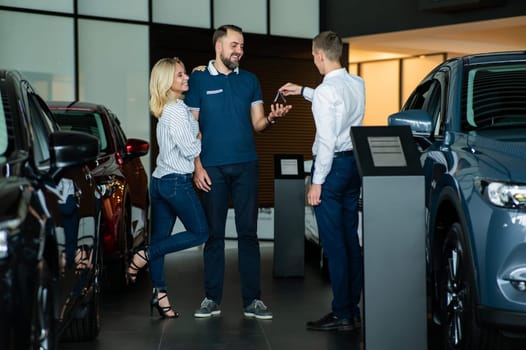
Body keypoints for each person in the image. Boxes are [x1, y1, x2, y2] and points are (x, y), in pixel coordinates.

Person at [184, 24, 291, 320]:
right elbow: (192, 128)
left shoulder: (250, 81)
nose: (239, 50)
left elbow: (258, 124)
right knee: (214, 234)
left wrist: (271, 117)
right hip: (212, 168)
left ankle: (253, 301)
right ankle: (211, 299)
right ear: (218, 46)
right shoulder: (198, 79)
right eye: (234, 45)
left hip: (246, 165)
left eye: (242, 46)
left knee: (248, 234)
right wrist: (197, 166)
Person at [279, 30, 365, 331]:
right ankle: (352, 309)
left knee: (334, 243)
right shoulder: (356, 83)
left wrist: (317, 182)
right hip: (354, 166)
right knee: (351, 240)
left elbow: (326, 141)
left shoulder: (327, 91)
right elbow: (335, 103)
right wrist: (303, 90)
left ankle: (341, 313)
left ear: (318, 55)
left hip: (332, 169)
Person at [126, 57, 209, 319]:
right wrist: (200, 136)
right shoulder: (175, 111)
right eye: (180, 76)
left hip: (161, 182)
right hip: (176, 183)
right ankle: (144, 255)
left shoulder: (172, 109)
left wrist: (195, 77)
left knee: (161, 239)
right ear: (166, 83)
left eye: (185, 74)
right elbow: (191, 149)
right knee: (200, 233)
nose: (186, 78)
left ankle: (159, 295)